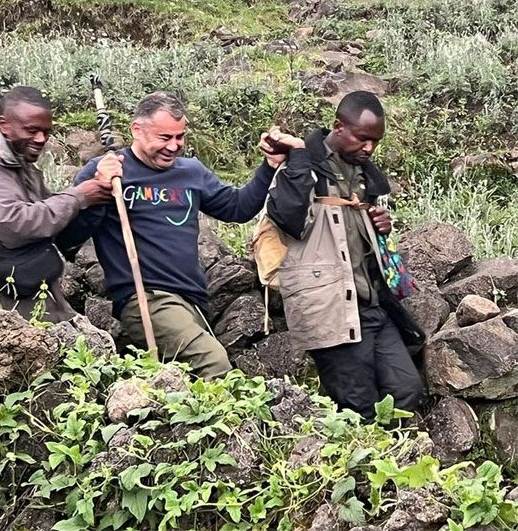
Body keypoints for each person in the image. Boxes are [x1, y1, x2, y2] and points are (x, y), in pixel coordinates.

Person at [62, 91, 289, 378]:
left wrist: (269, 166)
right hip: (146, 299)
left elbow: (237, 208)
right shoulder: (107, 172)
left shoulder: (190, 171)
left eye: (180, 137)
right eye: (164, 137)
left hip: (194, 300)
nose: (174, 146)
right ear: (137, 130)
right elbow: (68, 239)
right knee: (214, 365)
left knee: (187, 382)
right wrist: (98, 192)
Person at [265, 90, 424, 421]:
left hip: (372, 304)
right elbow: (289, 220)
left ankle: (393, 461)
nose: (369, 148)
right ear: (339, 127)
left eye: (375, 142)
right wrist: (296, 157)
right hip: (331, 308)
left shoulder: (364, 176)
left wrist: (378, 222)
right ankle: (369, 467)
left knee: (407, 388)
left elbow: (357, 234)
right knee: (358, 405)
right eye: (363, 138)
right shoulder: (303, 165)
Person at [0, 86, 113, 321]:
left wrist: (94, 197)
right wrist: (78, 197)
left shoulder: (22, 168)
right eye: (32, 130)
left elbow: (54, 224)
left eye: (46, 132)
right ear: (4, 124)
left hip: (29, 293)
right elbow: (15, 224)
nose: (41, 139)